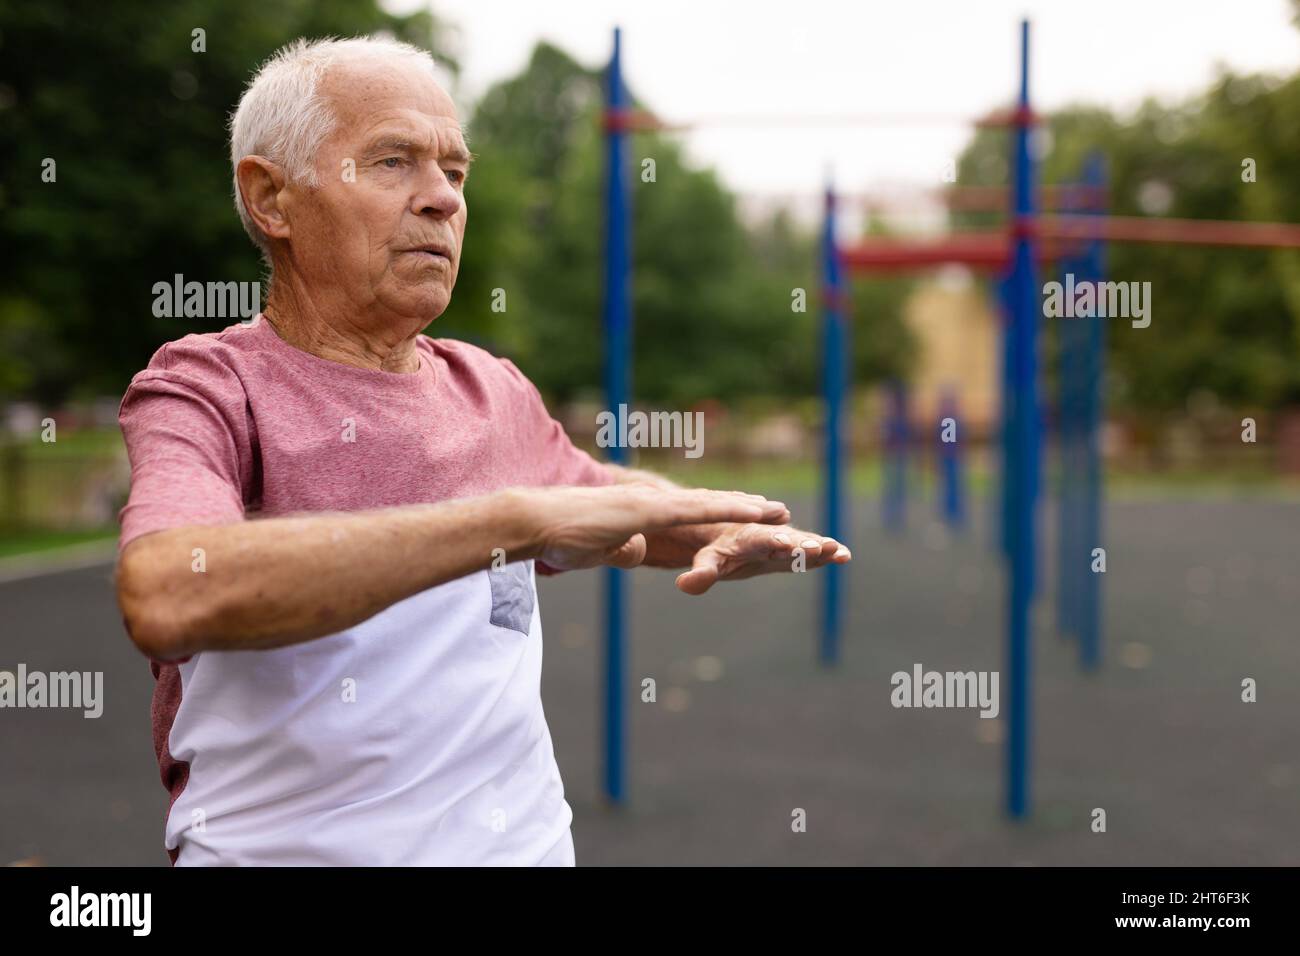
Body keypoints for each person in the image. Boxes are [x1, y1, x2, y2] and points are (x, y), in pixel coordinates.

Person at [114, 36, 851, 866]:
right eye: (393, 162)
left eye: (455, 173)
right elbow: (167, 592)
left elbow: (595, 501)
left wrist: (721, 525)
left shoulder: (492, 389)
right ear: (271, 198)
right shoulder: (208, 386)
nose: (443, 200)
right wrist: (505, 520)